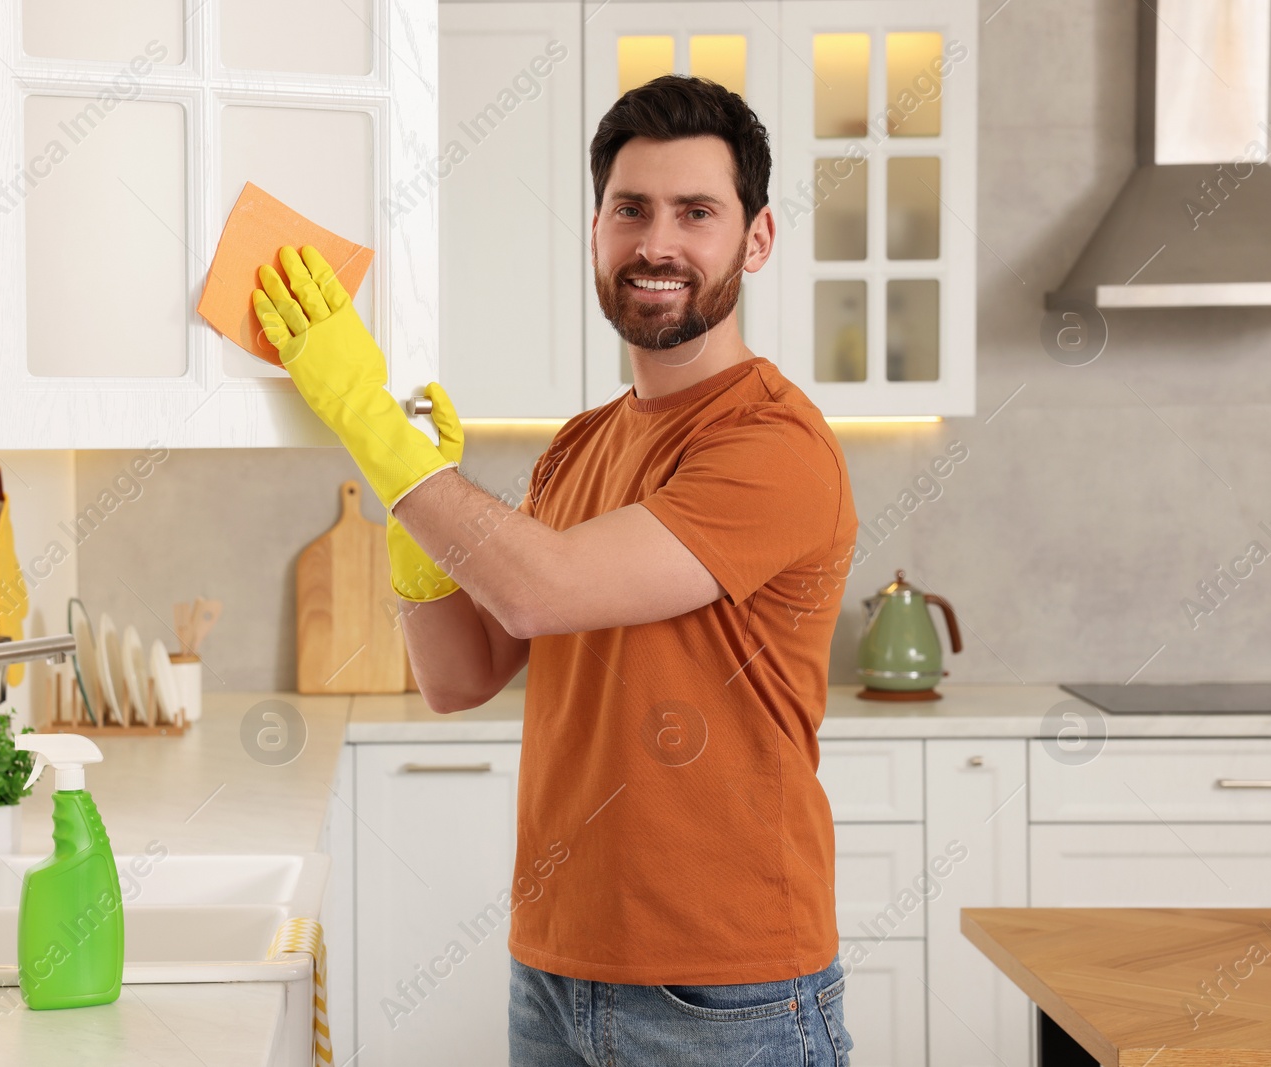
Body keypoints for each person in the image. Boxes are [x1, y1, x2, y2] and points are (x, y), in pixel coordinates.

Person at [252, 72, 858, 1067]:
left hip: (726, 987)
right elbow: (460, 673)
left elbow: (544, 585)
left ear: (755, 240)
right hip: (555, 965)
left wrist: (375, 426)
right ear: (594, 232)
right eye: (631, 210)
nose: (656, 243)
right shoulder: (579, 446)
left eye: (695, 213)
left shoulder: (772, 443)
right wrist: (411, 517)